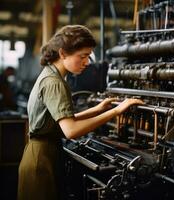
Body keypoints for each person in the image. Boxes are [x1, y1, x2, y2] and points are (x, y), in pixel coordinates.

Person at [17, 25, 144, 200]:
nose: (87, 62)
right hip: (41, 159)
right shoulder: (54, 83)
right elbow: (71, 130)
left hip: (44, 152)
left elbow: (63, 120)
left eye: (88, 56)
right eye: (82, 56)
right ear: (62, 54)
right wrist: (116, 111)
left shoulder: (51, 76)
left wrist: (97, 109)